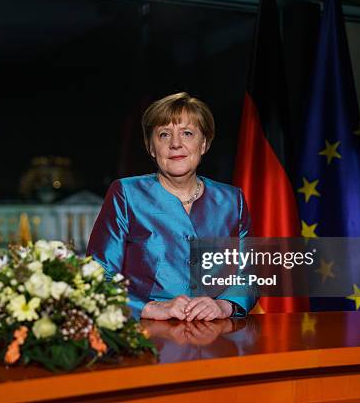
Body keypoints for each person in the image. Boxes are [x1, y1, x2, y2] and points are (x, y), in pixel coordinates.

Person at [87, 92, 257, 321]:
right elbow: (97, 275)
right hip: (148, 336)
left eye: (187, 133)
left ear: (204, 143)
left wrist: (225, 306)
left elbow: (251, 274)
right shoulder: (126, 194)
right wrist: (149, 308)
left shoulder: (232, 199)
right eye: (164, 134)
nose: (176, 144)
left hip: (217, 335)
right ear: (151, 147)